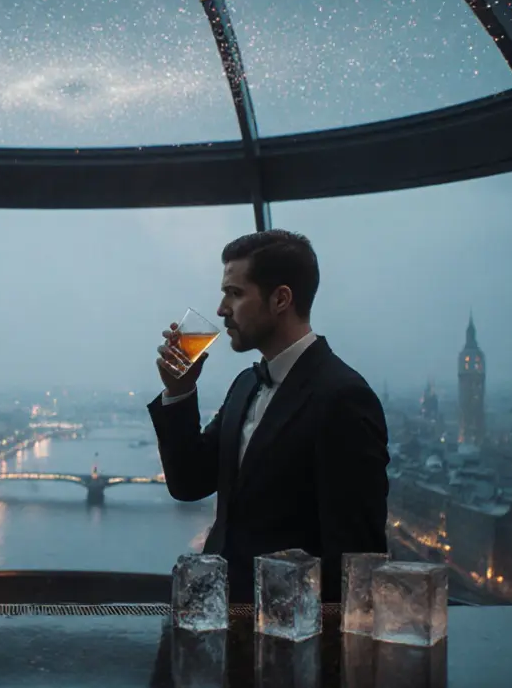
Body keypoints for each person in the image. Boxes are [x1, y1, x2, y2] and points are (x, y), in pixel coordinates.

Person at [147, 229, 389, 603]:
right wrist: (179, 391)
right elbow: (189, 482)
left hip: (286, 633)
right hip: (219, 615)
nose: (221, 309)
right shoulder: (246, 384)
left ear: (281, 299)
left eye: (235, 293)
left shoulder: (343, 398)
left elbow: (355, 559)